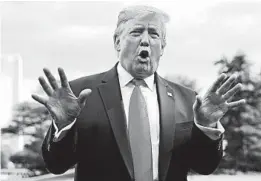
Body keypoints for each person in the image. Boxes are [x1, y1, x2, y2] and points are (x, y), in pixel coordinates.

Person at [32, 5, 246, 181]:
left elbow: (204, 166)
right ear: (117, 42)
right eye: (136, 32)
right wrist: (63, 126)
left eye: (154, 34)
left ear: (162, 47)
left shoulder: (188, 100)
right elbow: (57, 166)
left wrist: (206, 127)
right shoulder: (80, 94)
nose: (145, 40)